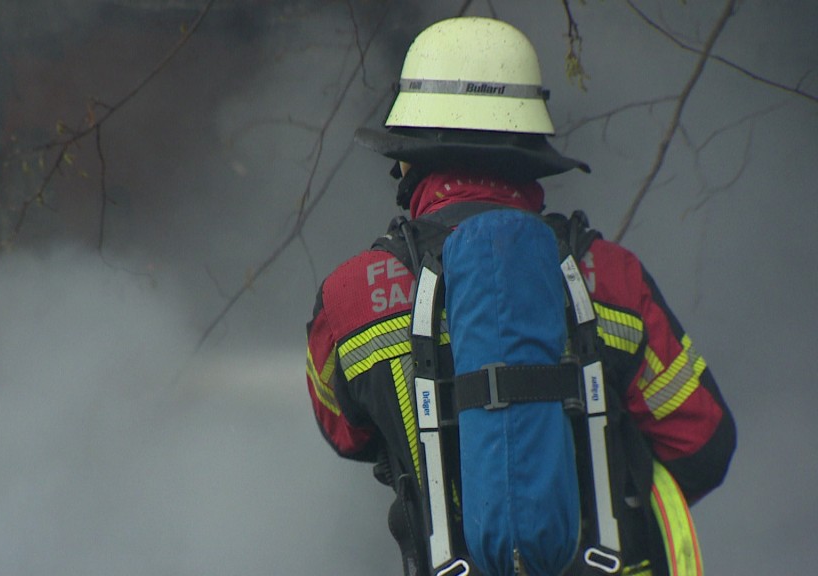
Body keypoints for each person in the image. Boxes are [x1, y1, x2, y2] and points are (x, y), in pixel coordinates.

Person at [305, 16, 735, 576]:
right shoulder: (612, 277)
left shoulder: (351, 298)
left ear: (411, 155)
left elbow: (346, 432)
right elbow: (701, 441)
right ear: (528, 146)